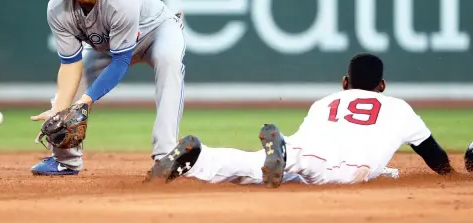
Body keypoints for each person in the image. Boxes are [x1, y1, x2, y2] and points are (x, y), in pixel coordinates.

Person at [146, 53, 457, 186]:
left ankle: (200, 159)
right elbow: (434, 155)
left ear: (345, 82)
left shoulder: (326, 101)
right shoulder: (398, 107)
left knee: (257, 167)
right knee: (326, 170)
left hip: (306, 148)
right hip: (342, 165)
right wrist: (451, 175)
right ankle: (283, 155)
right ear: (383, 86)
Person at [30, 0, 186, 176]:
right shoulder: (57, 8)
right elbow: (71, 65)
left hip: (157, 32)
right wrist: (60, 108)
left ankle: (165, 155)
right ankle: (65, 160)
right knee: (72, 92)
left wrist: (85, 102)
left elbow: (121, 62)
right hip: (112, 45)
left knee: (169, 61)